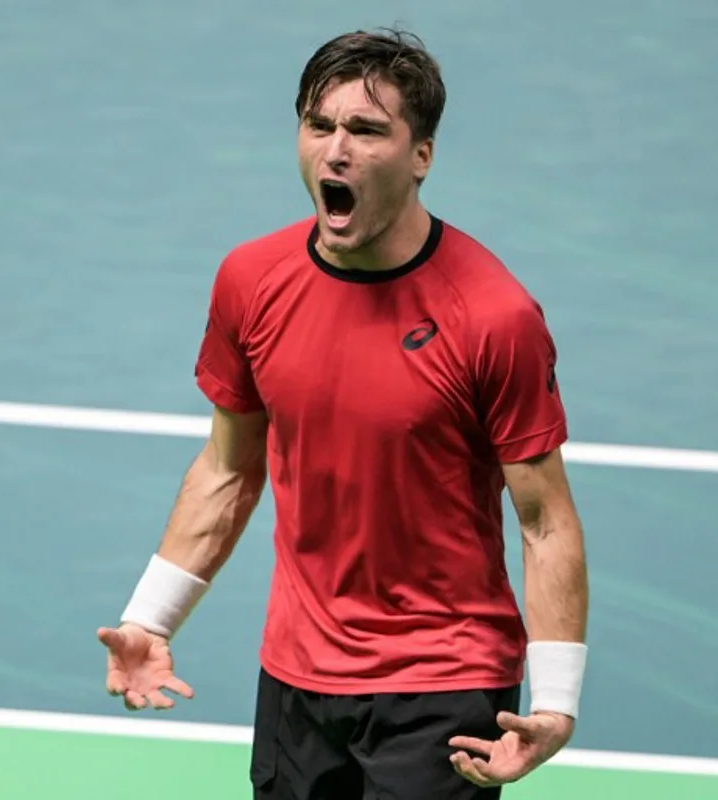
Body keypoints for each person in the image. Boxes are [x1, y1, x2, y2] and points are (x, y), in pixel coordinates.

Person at [96, 27, 589, 800]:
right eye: (319, 125)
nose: (336, 151)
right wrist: (150, 619)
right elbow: (229, 469)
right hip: (296, 673)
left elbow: (545, 519)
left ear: (421, 155)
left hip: (444, 681)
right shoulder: (251, 280)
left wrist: (556, 702)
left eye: (365, 130)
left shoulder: (494, 316)